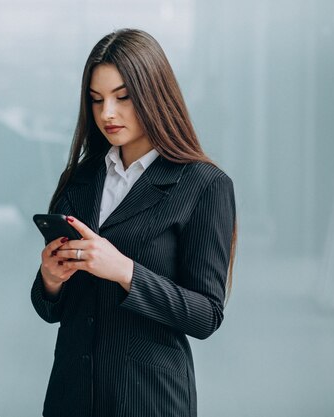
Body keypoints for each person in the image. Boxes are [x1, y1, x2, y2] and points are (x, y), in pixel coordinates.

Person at [30, 28, 237, 417]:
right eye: (97, 100)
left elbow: (207, 314)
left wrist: (125, 271)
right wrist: (50, 280)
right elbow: (51, 310)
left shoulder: (204, 185)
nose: (107, 113)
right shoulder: (81, 178)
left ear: (154, 93)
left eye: (122, 97)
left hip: (147, 399)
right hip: (71, 395)